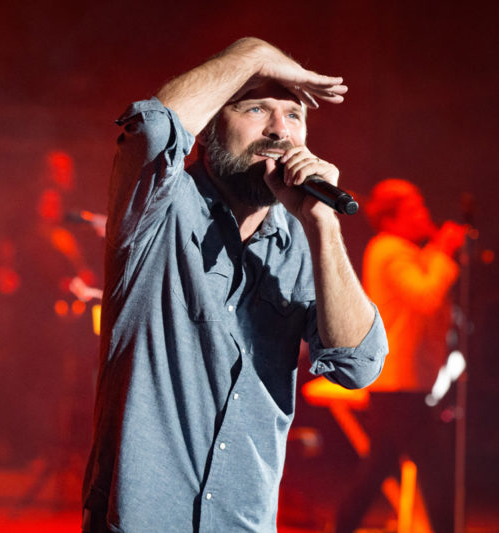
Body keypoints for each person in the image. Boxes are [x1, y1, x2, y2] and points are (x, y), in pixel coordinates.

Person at [82, 37, 388, 533]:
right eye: (255, 108)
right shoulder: (159, 209)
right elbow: (155, 129)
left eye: (294, 115)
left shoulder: (299, 242)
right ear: (208, 128)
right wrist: (252, 54)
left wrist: (323, 226)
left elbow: (358, 364)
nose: (278, 130)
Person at [333, 178, 466, 533]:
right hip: (399, 383)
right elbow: (424, 296)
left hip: (402, 382)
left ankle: (341, 527)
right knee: (435, 469)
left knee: (377, 469)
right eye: (414, 208)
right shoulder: (388, 249)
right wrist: (443, 249)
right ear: (391, 218)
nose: (425, 214)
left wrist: (437, 248)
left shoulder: (402, 251)